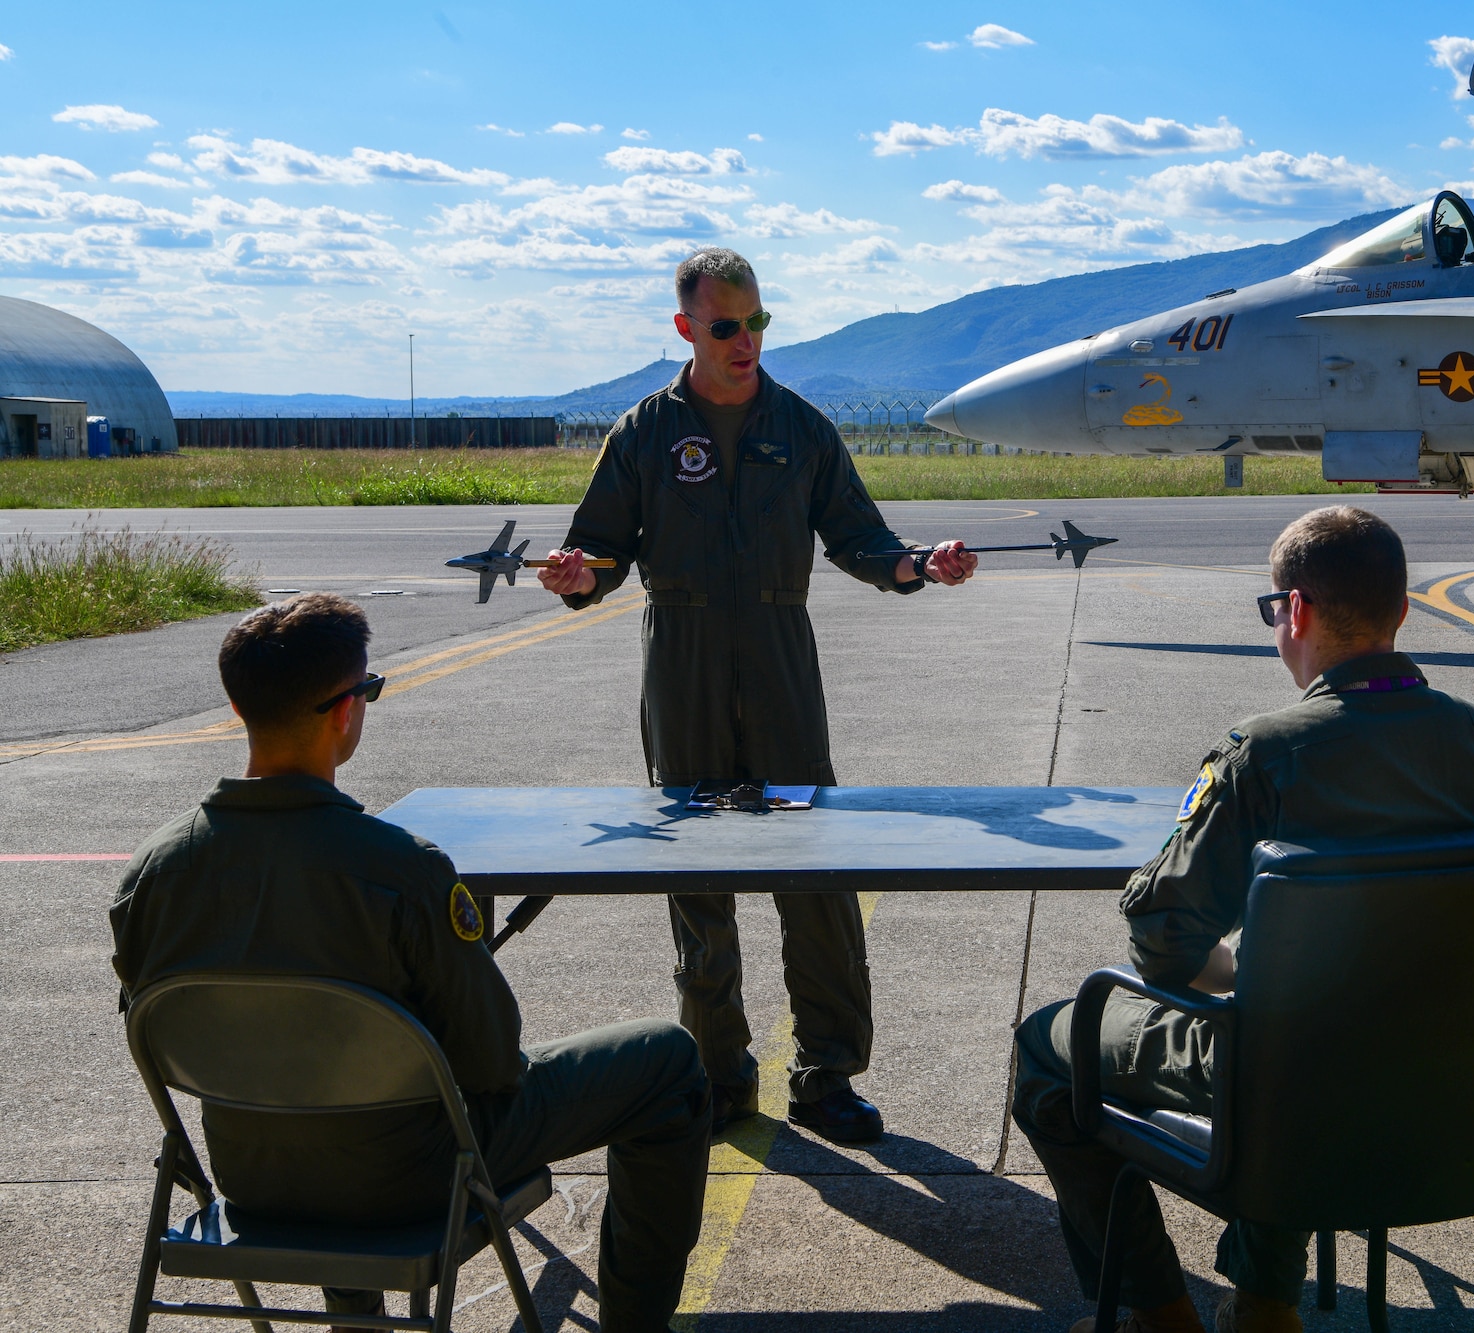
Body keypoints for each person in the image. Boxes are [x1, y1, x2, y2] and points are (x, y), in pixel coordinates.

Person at [1011, 506, 1474, 1333]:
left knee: (1051, 1049)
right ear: (1401, 610)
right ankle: (1264, 1304)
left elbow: (1162, 939)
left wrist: (1244, 975)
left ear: (1293, 611)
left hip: (1302, 1083)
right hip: (1470, 1086)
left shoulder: (1264, 754)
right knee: (1298, 1023)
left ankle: (1162, 1316)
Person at [109, 595, 710, 1333]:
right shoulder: (402, 870)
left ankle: (354, 1320)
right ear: (344, 712)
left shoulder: (152, 874)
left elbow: (170, 1032)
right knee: (669, 1060)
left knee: (319, 1079)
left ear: (238, 707)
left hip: (254, 1179)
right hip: (414, 1182)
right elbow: (491, 1058)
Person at [537, 246, 978, 1144]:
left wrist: (917, 565)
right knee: (696, 877)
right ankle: (715, 1077)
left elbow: (860, 536)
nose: (747, 341)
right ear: (686, 328)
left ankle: (826, 1076)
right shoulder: (644, 433)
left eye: (758, 322)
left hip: (781, 664)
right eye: (727, 327)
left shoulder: (803, 428)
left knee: (813, 869)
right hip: (684, 665)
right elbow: (603, 552)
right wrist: (577, 577)